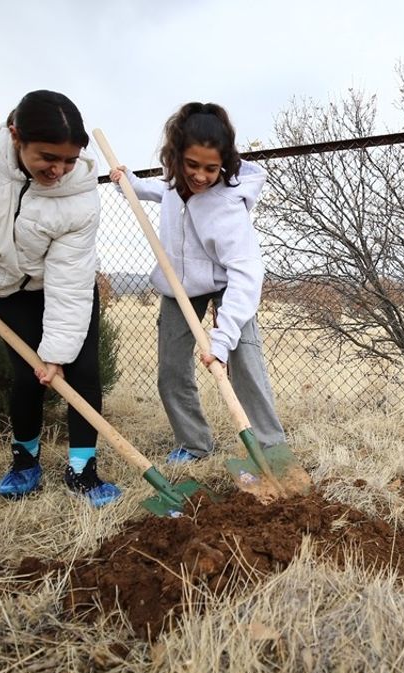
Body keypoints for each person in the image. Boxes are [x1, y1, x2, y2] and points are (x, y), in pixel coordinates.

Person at [0, 89, 121, 508]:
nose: (59, 169)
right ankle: (24, 461)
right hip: (5, 283)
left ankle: (82, 469)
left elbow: (69, 283)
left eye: (69, 160)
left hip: (64, 282)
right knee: (26, 376)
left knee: (82, 371)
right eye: (48, 157)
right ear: (16, 135)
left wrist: (56, 353)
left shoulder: (80, 194)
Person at [109, 102, 286, 464]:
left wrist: (221, 340)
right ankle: (194, 444)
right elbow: (166, 194)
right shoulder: (177, 185)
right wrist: (131, 184)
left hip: (226, 286)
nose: (201, 176)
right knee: (171, 371)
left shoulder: (228, 207)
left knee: (245, 363)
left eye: (211, 168)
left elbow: (245, 275)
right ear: (176, 157)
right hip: (178, 287)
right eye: (192, 165)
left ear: (224, 163)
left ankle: (270, 450)